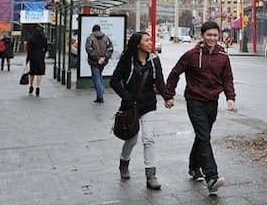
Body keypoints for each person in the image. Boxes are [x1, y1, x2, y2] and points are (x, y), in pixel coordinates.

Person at [163, 21, 236, 196]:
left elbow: (227, 78)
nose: (212, 38)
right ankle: (212, 177)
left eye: (215, 35)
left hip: (213, 101)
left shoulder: (223, 57)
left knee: (203, 136)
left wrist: (230, 98)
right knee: (204, 137)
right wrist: (168, 95)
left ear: (219, 36)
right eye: (209, 35)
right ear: (202, 36)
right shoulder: (191, 55)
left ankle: (194, 167)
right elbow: (174, 74)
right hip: (195, 101)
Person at [110, 32, 167, 190]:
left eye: (150, 40)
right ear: (138, 44)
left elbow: (160, 82)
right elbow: (114, 81)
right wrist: (127, 97)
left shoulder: (154, 60)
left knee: (148, 138)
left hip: (148, 105)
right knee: (132, 140)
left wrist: (167, 97)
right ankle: (124, 163)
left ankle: (151, 175)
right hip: (130, 106)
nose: (150, 43)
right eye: (147, 40)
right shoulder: (127, 60)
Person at [85, 24, 114, 103]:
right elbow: (110, 49)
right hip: (103, 62)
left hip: (94, 61)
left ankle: (100, 95)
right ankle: (100, 92)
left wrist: (97, 58)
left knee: (96, 77)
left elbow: (89, 49)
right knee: (99, 75)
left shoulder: (90, 38)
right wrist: (104, 57)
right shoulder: (106, 38)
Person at [26, 27, 48, 96]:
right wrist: (43, 55)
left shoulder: (31, 39)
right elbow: (46, 48)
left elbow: (29, 50)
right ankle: (38, 87)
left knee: (32, 73)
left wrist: (28, 59)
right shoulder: (44, 39)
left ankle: (31, 87)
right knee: (39, 73)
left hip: (33, 57)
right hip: (40, 57)